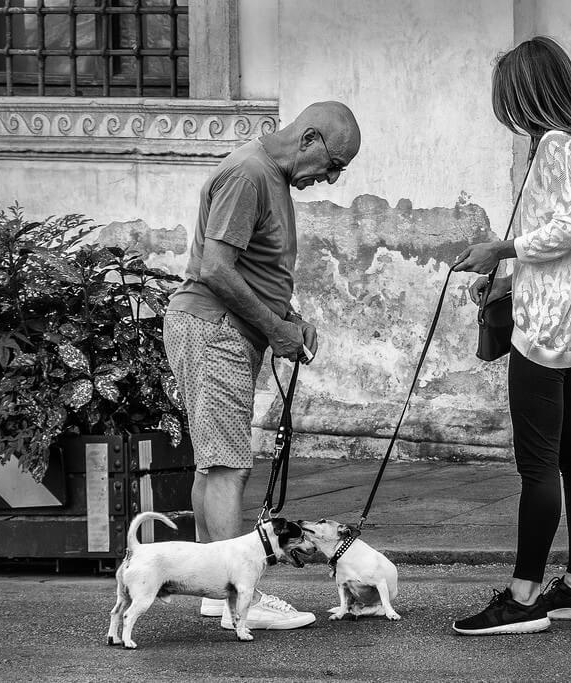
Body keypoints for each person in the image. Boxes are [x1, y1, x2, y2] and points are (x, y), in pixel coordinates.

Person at [163, 101, 361, 630]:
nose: (333, 177)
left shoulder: (268, 176)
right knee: (228, 465)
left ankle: (214, 592)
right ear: (310, 139)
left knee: (215, 463)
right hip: (214, 328)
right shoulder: (249, 173)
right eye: (334, 163)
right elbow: (216, 269)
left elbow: (254, 269)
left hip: (214, 329)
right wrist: (276, 330)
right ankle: (236, 600)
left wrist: (288, 317)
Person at [451, 37, 571, 636]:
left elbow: (565, 231)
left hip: (543, 330)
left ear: (526, 93)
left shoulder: (552, 146)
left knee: (537, 465)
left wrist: (503, 249)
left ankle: (521, 599)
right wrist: (509, 280)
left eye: (507, 98)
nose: (507, 113)